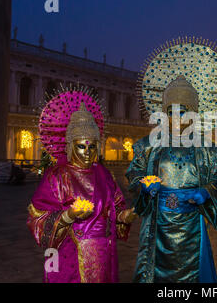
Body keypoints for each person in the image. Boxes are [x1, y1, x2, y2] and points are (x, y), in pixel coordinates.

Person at [126, 75, 217, 283]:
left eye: (182, 112)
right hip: (156, 227)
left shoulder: (208, 149)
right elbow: (135, 173)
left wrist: (206, 192)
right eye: (171, 112)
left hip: (191, 228)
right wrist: (144, 186)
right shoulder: (148, 146)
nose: (176, 118)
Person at [27, 90, 136, 283]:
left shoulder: (104, 174)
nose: (87, 152)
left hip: (104, 252)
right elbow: (38, 216)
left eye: (92, 146)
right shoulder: (58, 176)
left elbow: (115, 207)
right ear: (70, 145)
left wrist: (124, 216)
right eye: (81, 146)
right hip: (70, 252)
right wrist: (69, 216)